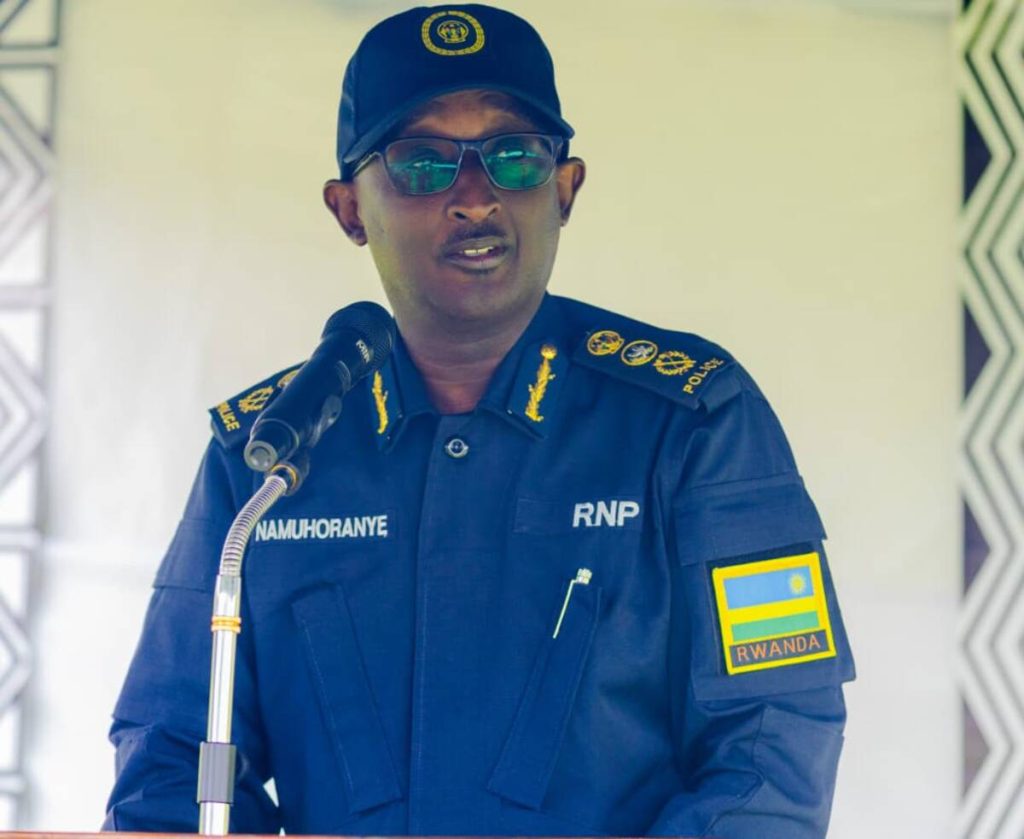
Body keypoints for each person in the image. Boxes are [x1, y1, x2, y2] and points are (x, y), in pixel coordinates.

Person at [103, 4, 855, 837]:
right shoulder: (270, 454)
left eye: (514, 156)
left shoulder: (696, 423)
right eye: (422, 163)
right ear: (349, 208)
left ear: (564, 189)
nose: (474, 197)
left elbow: (772, 746)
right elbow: (172, 758)